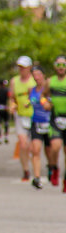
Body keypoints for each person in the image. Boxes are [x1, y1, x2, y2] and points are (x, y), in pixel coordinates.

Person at [9, 56, 36, 182]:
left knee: (33, 146)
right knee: (23, 144)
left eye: (24, 67)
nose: (21, 70)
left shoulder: (34, 80)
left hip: (34, 116)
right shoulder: (14, 81)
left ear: (29, 67)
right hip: (20, 116)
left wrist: (31, 102)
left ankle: (36, 165)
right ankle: (26, 170)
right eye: (19, 67)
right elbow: (12, 98)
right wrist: (12, 105)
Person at [28, 66, 52, 189]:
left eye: (38, 74)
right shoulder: (31, 90)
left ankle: (50, 167)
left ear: (43, 75)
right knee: (35, 150)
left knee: (49, 150)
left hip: (48, 122)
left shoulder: (49, 89)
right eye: (34, 74)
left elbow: (52, 104)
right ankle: (36, 178)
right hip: (36, 122)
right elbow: (29, 101)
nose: (36, 77)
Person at [45, 57, 66, 187]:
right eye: (58, 64)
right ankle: (54, 167)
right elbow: (43, 96)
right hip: (55, 119)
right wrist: (46, 103)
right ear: (54, 67)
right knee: (55, 146)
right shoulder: (50, 81)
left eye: (63, 64)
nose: (61, 67)